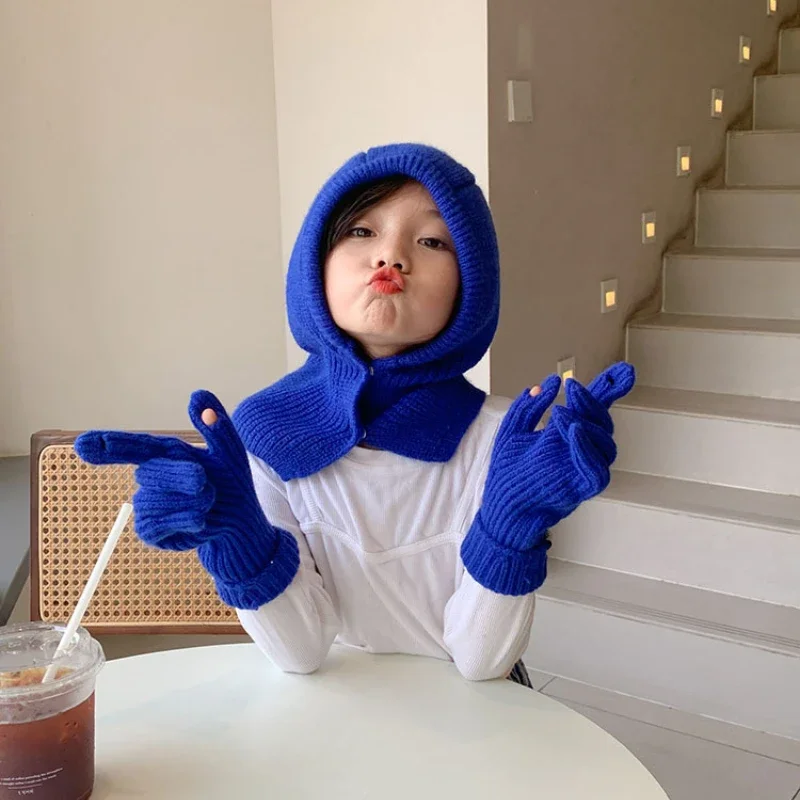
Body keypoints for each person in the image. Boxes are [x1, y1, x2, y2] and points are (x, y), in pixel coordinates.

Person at [75, 143, 635, 687]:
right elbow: (300, 653)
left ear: (472, 286)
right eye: (361, 231)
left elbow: (481, 662)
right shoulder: (262, 433)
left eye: (432, 240)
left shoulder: (501, 439)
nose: (391, 256)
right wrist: (237, 540)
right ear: (315, 264)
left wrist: (514, 523)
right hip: (334, 710)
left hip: (478, 720)